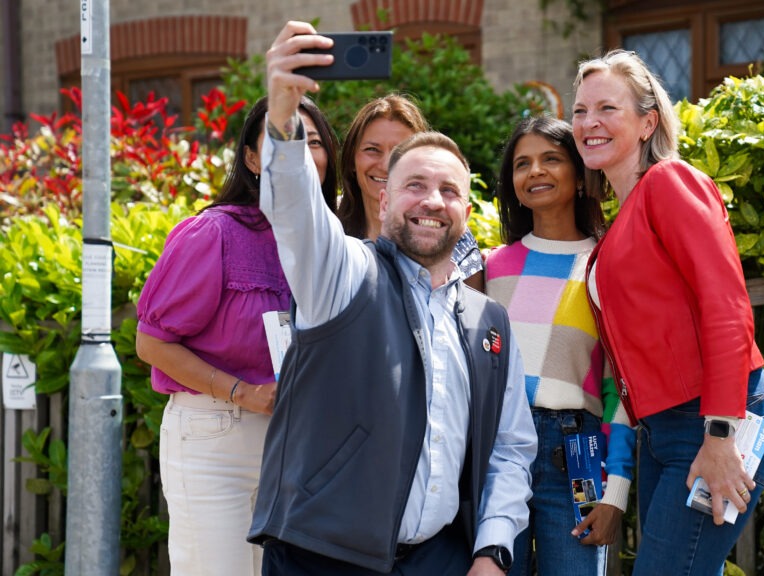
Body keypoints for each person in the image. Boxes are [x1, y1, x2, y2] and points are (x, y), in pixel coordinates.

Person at [247, 21, 537, 576]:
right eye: (414, 186)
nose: (432, 201)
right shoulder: (343, 273)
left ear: (466, 214)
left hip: (442, 560)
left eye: (449, 190)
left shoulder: (488, 322)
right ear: (382, 203)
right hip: (322, 557)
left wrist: (492, 549)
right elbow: (296, 212)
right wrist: (283, 111)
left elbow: (510, 449)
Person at [570, 49, 764, 575]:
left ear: (647, 122)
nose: (589, 122)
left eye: (606, 109)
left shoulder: (670, 183)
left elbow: (726, 307)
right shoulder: (623, 217)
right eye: (579, 111)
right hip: (664, 432)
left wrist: (720, 434)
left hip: (711, 422)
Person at [135, 94, 341, 575]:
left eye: (311, 142)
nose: (298, 153)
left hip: (295, 444)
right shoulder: (214, 234)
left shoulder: (329, 241)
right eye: (281, 141)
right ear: (251, 157)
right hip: (215, 438)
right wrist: (242, 392)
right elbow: (152, 342)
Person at [484, 116, 634, 576]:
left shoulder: (607, 265)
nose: (535, 172)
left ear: (579, 172)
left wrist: (616, 493)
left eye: (551, 159)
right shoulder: (491, 269)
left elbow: (622, 389)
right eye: (522, 163)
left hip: (576, 454)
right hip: (498, 454)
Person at [338, 93, 485, 290]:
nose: (386, 165)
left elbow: (471, 311)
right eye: (372, 149)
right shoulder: (330, 224)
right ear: (352, 159)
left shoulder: (450, 232)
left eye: (400, 151)